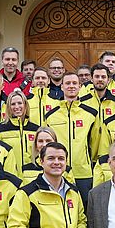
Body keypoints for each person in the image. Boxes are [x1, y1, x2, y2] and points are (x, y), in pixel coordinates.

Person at [45, 72, 100, 207]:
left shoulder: (91, 114)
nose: (71, 86)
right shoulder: (51, 115)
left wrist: (87, 161)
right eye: (67, 83)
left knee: (86, 210)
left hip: (83, 173)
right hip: (58, 171)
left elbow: (96, 143)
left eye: (74, 83)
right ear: (62, 87)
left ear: (80, 86)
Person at [0, 91, 40, 176]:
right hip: (9, 176)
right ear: (8, 107)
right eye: (13, 104)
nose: (17, 107)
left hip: (31, 177)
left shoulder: (36, 130)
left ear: (25, 105)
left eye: (20, 103)